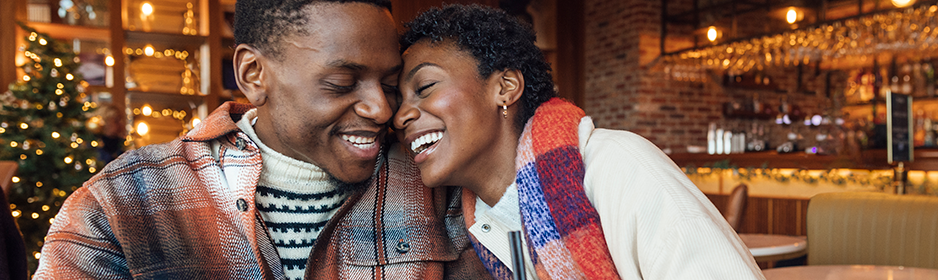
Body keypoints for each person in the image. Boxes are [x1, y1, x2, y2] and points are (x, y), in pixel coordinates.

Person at [35, 1, 488, 279]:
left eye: (389, 84)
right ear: (253, 74)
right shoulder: (121, 202)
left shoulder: (437, 188)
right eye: (341, 83)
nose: (381, 109)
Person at [393, 5, 765, 279]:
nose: (401, 116)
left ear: (505, 88)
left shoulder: (617, 165)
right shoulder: (482, 223)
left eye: (424, 87)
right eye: (400, 100)